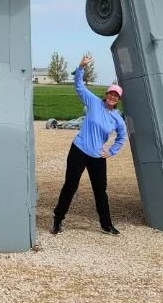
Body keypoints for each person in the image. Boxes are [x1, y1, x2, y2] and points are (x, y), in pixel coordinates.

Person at [52, 52, 127, 236]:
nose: (112, 97)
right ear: (106, 94)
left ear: (118, 100)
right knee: (70, 185)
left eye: (115, 96)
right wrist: (81, 66)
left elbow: (122, 136)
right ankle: (58, 220)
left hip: (97, 156)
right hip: (79, 149)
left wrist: (111, 151)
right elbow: (78, 85)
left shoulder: (117, 118)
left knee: (100, 190)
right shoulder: (93, 102)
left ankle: (106, 224)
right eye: (110, 93)